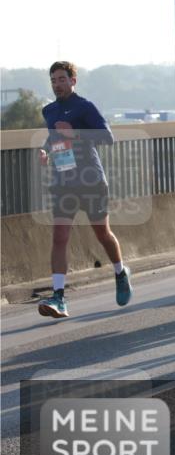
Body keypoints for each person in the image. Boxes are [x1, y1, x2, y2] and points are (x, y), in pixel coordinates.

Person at [37, 61, 133, 318]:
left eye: (62, 79)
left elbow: (107, 137)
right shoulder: (49, 110)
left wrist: (76, 134)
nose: (57, 84)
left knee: (103, 234)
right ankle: (59, 297)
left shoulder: (85, 107)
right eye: (53, 80)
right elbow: (53, 137)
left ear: (73, 81)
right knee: (59, 237)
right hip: (63, 182)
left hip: (91, 181)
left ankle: (120, 272)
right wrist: (45, 150)